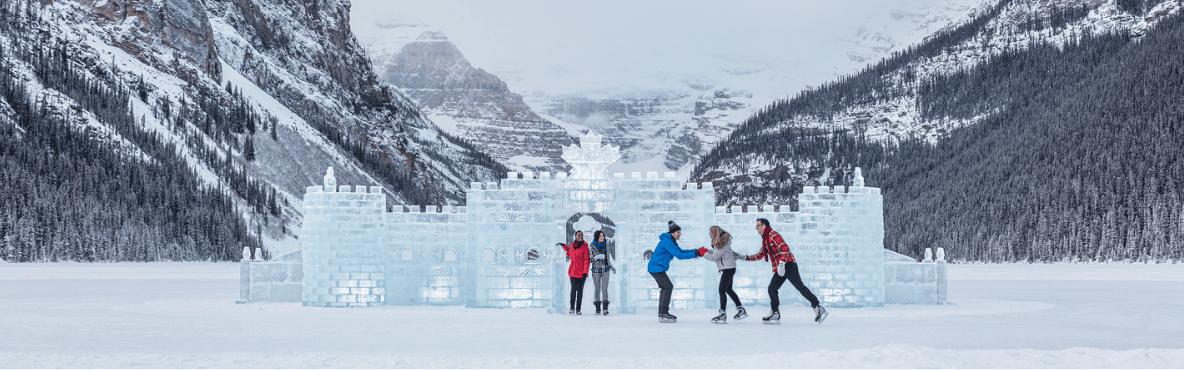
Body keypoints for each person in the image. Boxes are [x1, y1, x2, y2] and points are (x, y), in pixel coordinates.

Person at [743, 218, 827, 324]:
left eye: (758, 225)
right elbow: (761, 255)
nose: (756, 228)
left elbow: (785, 249)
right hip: (781, 267)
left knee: (800, 287)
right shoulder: (765, 239)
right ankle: (775, 312)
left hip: (788, 265)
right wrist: (744, 257)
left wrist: (782, 264)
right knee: (772, 288)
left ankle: (818, 307)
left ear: (764, 226)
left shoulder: (773, 234)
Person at [647, 221, 707, 323]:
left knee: (665, 287)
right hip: (655, 268)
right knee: (667, 286)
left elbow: (682, 251)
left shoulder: (671, 241)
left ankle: (662, 313)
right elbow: (679, 255)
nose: (679, 234)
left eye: (679, 232)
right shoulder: (667, 242)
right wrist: (696, 254)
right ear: (672, 233)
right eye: (678, 232)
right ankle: (663, 313)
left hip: (657, 268)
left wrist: (696, 252)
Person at [702, 226, 746, 324]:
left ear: (715, 233)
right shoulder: (721, 243)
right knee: (728, 289)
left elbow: (714, 257)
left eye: (710, 232)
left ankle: (722, 314)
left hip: (728, 269)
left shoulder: (720, 244)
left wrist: (703, 253)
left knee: (722, 290)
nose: (709, 234)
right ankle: (740, 309)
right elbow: (715, 253)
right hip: (729, 268)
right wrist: (705, 251)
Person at [563, 231, 590, 315]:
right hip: (572, 272)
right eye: (578, 235)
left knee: (580, 291)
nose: (579, 236)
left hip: (582, 273)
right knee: (573, 290)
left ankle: (578, 309)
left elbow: (586, 260)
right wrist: (564, 246)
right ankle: (572, 308)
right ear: (575, 236)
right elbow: (569, 254)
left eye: (581, 235)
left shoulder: (585, 247)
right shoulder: (572, 245)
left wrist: (585, 272)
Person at [589, 230, 616, 315]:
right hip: (596, 270)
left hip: (606, 269)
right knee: (597, 289)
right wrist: (596, 257)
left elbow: (608, 258)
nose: (602, 238)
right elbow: (590, 259)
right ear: (597, 237)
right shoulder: (592, 246)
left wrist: (612, 267)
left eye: (603, 236)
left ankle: (605, 308)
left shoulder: (606, 245)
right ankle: (597, 308)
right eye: (600, 236)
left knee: (605, 289)